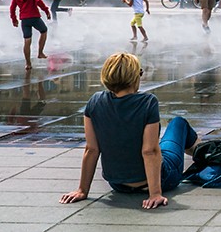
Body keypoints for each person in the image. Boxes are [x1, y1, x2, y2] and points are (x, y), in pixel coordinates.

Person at [60, 52, 198, 210]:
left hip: (118, 184)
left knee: (163, 143)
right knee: (178, 123)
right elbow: (150, 151)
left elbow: (91, 149)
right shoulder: (148, 102)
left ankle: (204, 153)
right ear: (134, 76)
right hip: (161, 179)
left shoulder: (94, 102)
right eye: (140, 72)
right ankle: (205, 154)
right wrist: (155, 194)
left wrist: (82, 190)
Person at [9, 0, 52, 70]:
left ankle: (28, 64)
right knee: (44, 31)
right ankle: (40, 53)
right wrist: (46, 10)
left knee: (27, 41)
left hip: (24, 19)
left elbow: (12, 8)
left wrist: (14, 20)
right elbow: (38, 1)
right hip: (34, 17)